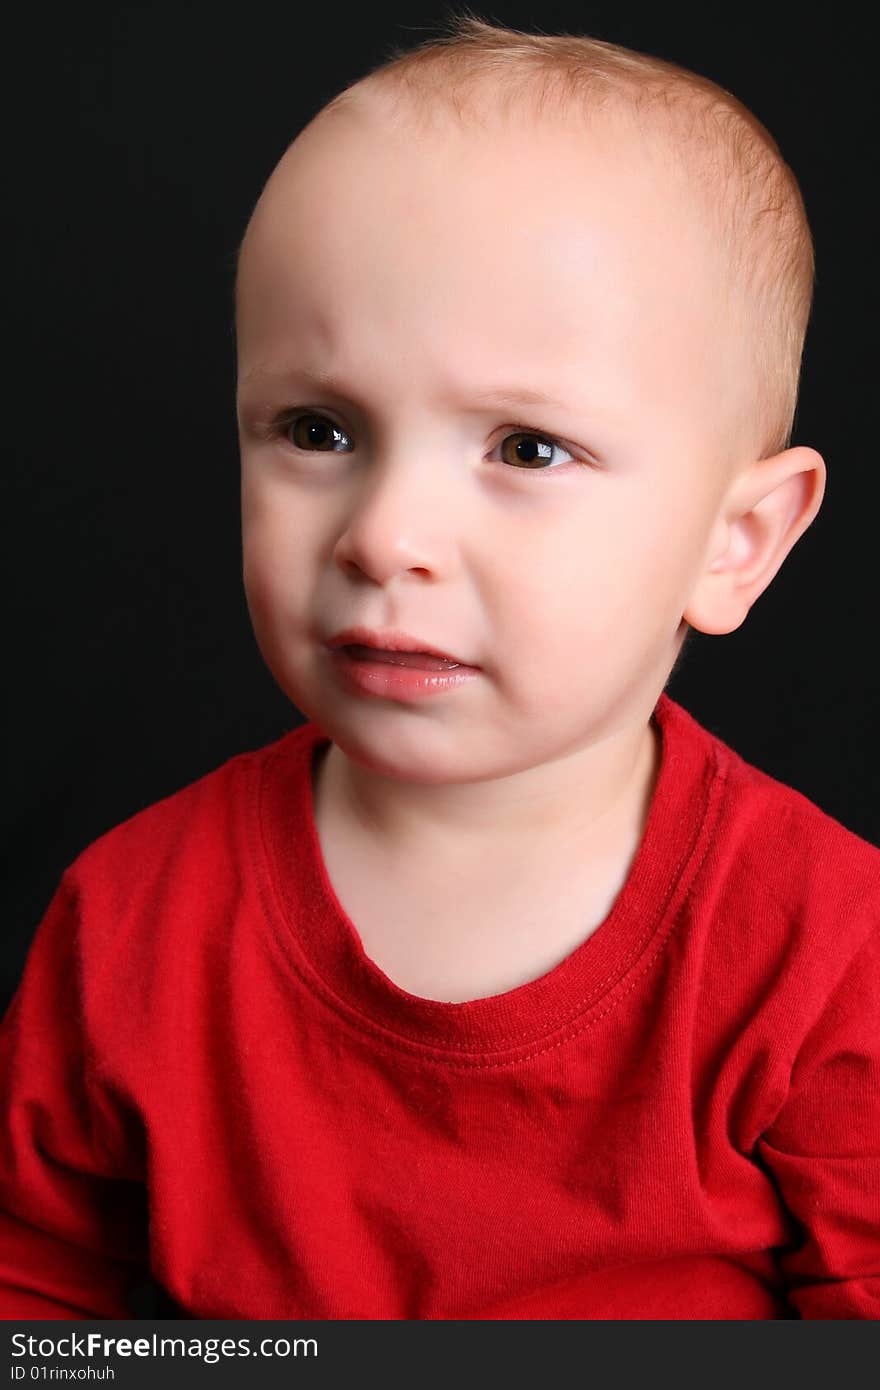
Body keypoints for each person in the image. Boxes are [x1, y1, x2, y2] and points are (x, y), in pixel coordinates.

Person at [2, 11, 877, 1321]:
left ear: (734, 542)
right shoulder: (129, 918)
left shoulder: (822, 947)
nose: (385, 536)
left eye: (526, 448)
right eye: (318, 428)